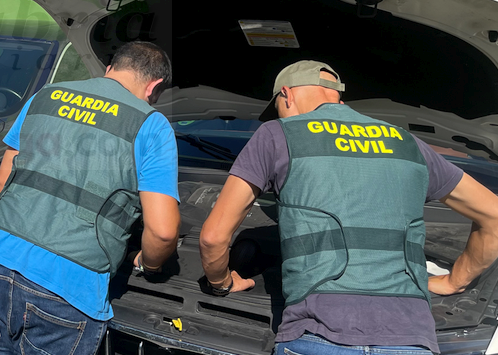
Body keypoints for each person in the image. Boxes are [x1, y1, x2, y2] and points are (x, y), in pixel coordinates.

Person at [199, 60, 498, 354]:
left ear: (286, 95)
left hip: (315, 337)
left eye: (277, 108)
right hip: (409, 338)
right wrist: (454, 282)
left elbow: (213, 237)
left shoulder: (277, 133)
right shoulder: (408, 142)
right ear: (337, 96)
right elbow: (493, 215)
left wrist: (221, 283)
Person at [0, 41, 181, 355]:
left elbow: (3, 181)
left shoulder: (46, 96)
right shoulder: (151, 124)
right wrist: (147, 265)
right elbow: (163, 232)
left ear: (110, 68)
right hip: (67, 289)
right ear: (154, 86)